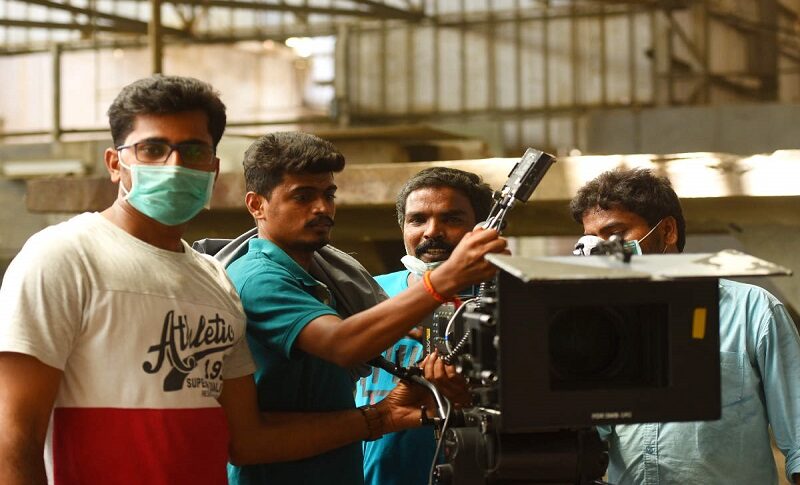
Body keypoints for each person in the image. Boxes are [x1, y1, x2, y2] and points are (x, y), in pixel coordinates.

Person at [0, 75, 436, 485]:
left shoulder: (213, 281)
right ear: (116, 163)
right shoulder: (64, 257)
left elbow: (248, 440)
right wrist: (442, 282)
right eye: (153, 149)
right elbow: (13, 435)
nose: (174, 165)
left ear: (212, 167)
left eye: (193, 151)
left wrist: (381, 417)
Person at [223, 133, 506, 485]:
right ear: (256, 205)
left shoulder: (328, 283)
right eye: (303, 196)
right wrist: (445, 280)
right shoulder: (261, 279)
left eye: (328, 195)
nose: (322, 208)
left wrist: (387, 414)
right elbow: (343, 344)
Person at [570, 167, 800, 485]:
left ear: (667, 231)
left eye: (615, 234)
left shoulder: (753, 310)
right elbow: (587, 438)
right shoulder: (601, 325)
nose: (600, 250)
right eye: (590, 239)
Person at [355, 167, 494, 485]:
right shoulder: (366, 292)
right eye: (418, 219)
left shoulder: (504, 299)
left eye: (451, 219)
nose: (432, 231)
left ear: (480, 228)